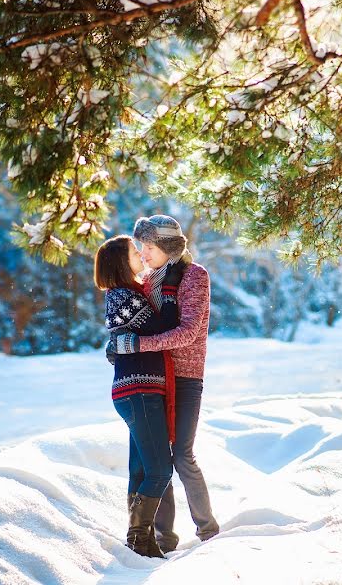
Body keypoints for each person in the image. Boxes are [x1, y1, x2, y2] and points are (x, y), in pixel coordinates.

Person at [110, 215, 220, 551]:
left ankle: (209, 531)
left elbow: (187, 332)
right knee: (154, 457)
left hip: (185, 376)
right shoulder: (146, 281)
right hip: (153, 378)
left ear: (167, 247)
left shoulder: (193, 276)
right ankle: (163, 536)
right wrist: (116, 343)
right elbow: (138, 324)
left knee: (181, 454)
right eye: (140, 247)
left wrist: (137, 345)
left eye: (148, 246)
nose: (142, 253)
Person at [94, 234, 182, 558]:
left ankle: (144, 546)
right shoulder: (122, 295)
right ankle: (136, 538)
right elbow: (164, 325)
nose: (140, 256)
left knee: (143, 470)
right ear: (121, 261)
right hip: (138, 391)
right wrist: (170, 287)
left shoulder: (128, 293)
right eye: (134, 252)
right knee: (160, 470)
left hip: (139, 390)